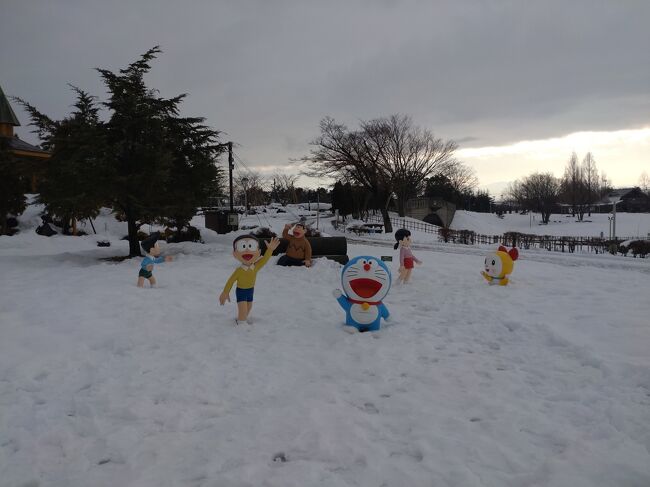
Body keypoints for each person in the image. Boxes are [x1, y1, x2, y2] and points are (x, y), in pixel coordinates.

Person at [220, 235, 281, 324]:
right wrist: (225, 292)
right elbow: (230, 281)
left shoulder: (256, 266)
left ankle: (241, 319)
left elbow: (265, 259)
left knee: (248, 307)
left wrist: (270, 250)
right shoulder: (239, 271)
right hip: (241, 292)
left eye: (251, 246)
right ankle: (241, 325)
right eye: (243, 247)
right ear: (235, 254)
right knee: (243, 309)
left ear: (259, 252)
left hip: (250, 291)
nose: (247, 250)